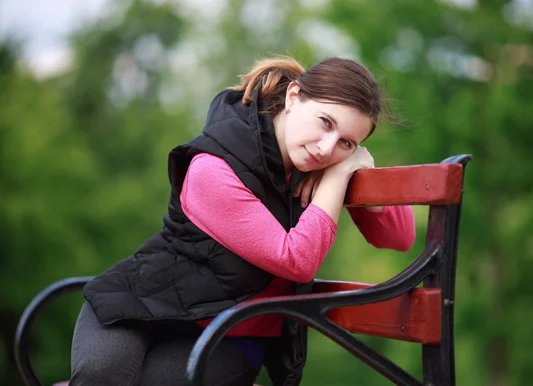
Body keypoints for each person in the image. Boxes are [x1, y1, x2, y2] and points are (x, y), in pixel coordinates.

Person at [70, 56, 416, 386]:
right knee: (101, 377)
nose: (326, 148)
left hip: (232, 334)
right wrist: (339, 176)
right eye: (325, 122)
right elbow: (295, 260)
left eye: (346, 142)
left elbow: (400, 237)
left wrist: (358, 167)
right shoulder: (213, 168)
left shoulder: (319, 164)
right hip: (140, 305)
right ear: (294, 96)